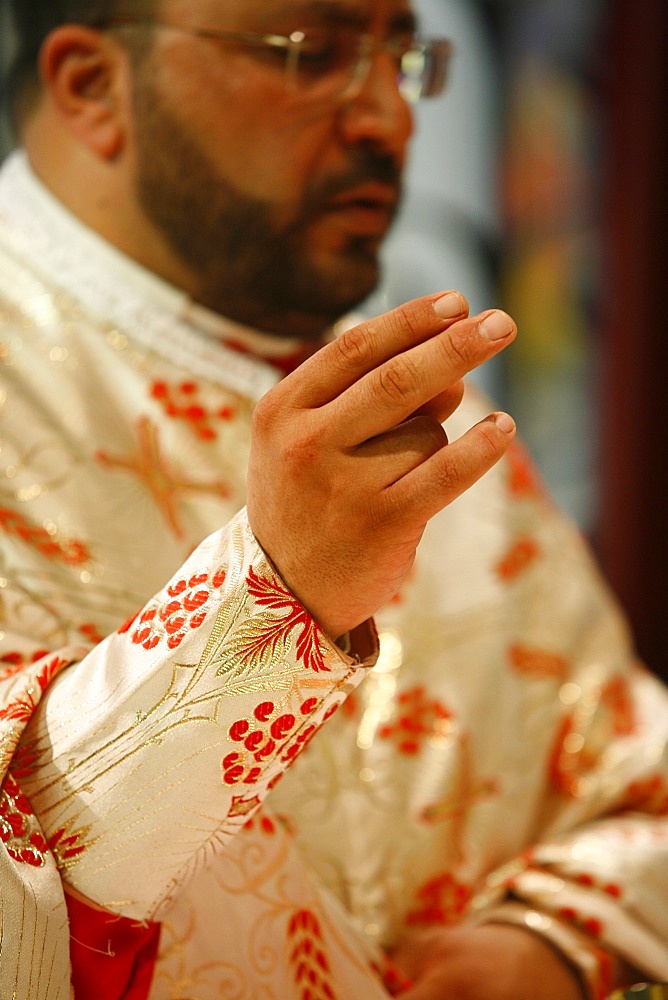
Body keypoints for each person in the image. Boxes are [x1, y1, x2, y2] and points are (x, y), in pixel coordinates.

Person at [0, 1, 666, 998]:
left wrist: (557, 932)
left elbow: (631, 778)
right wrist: (274, 596)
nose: (389, 119)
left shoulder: (420, 415)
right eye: (310, 53)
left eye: (397, 56)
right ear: (93, 85)